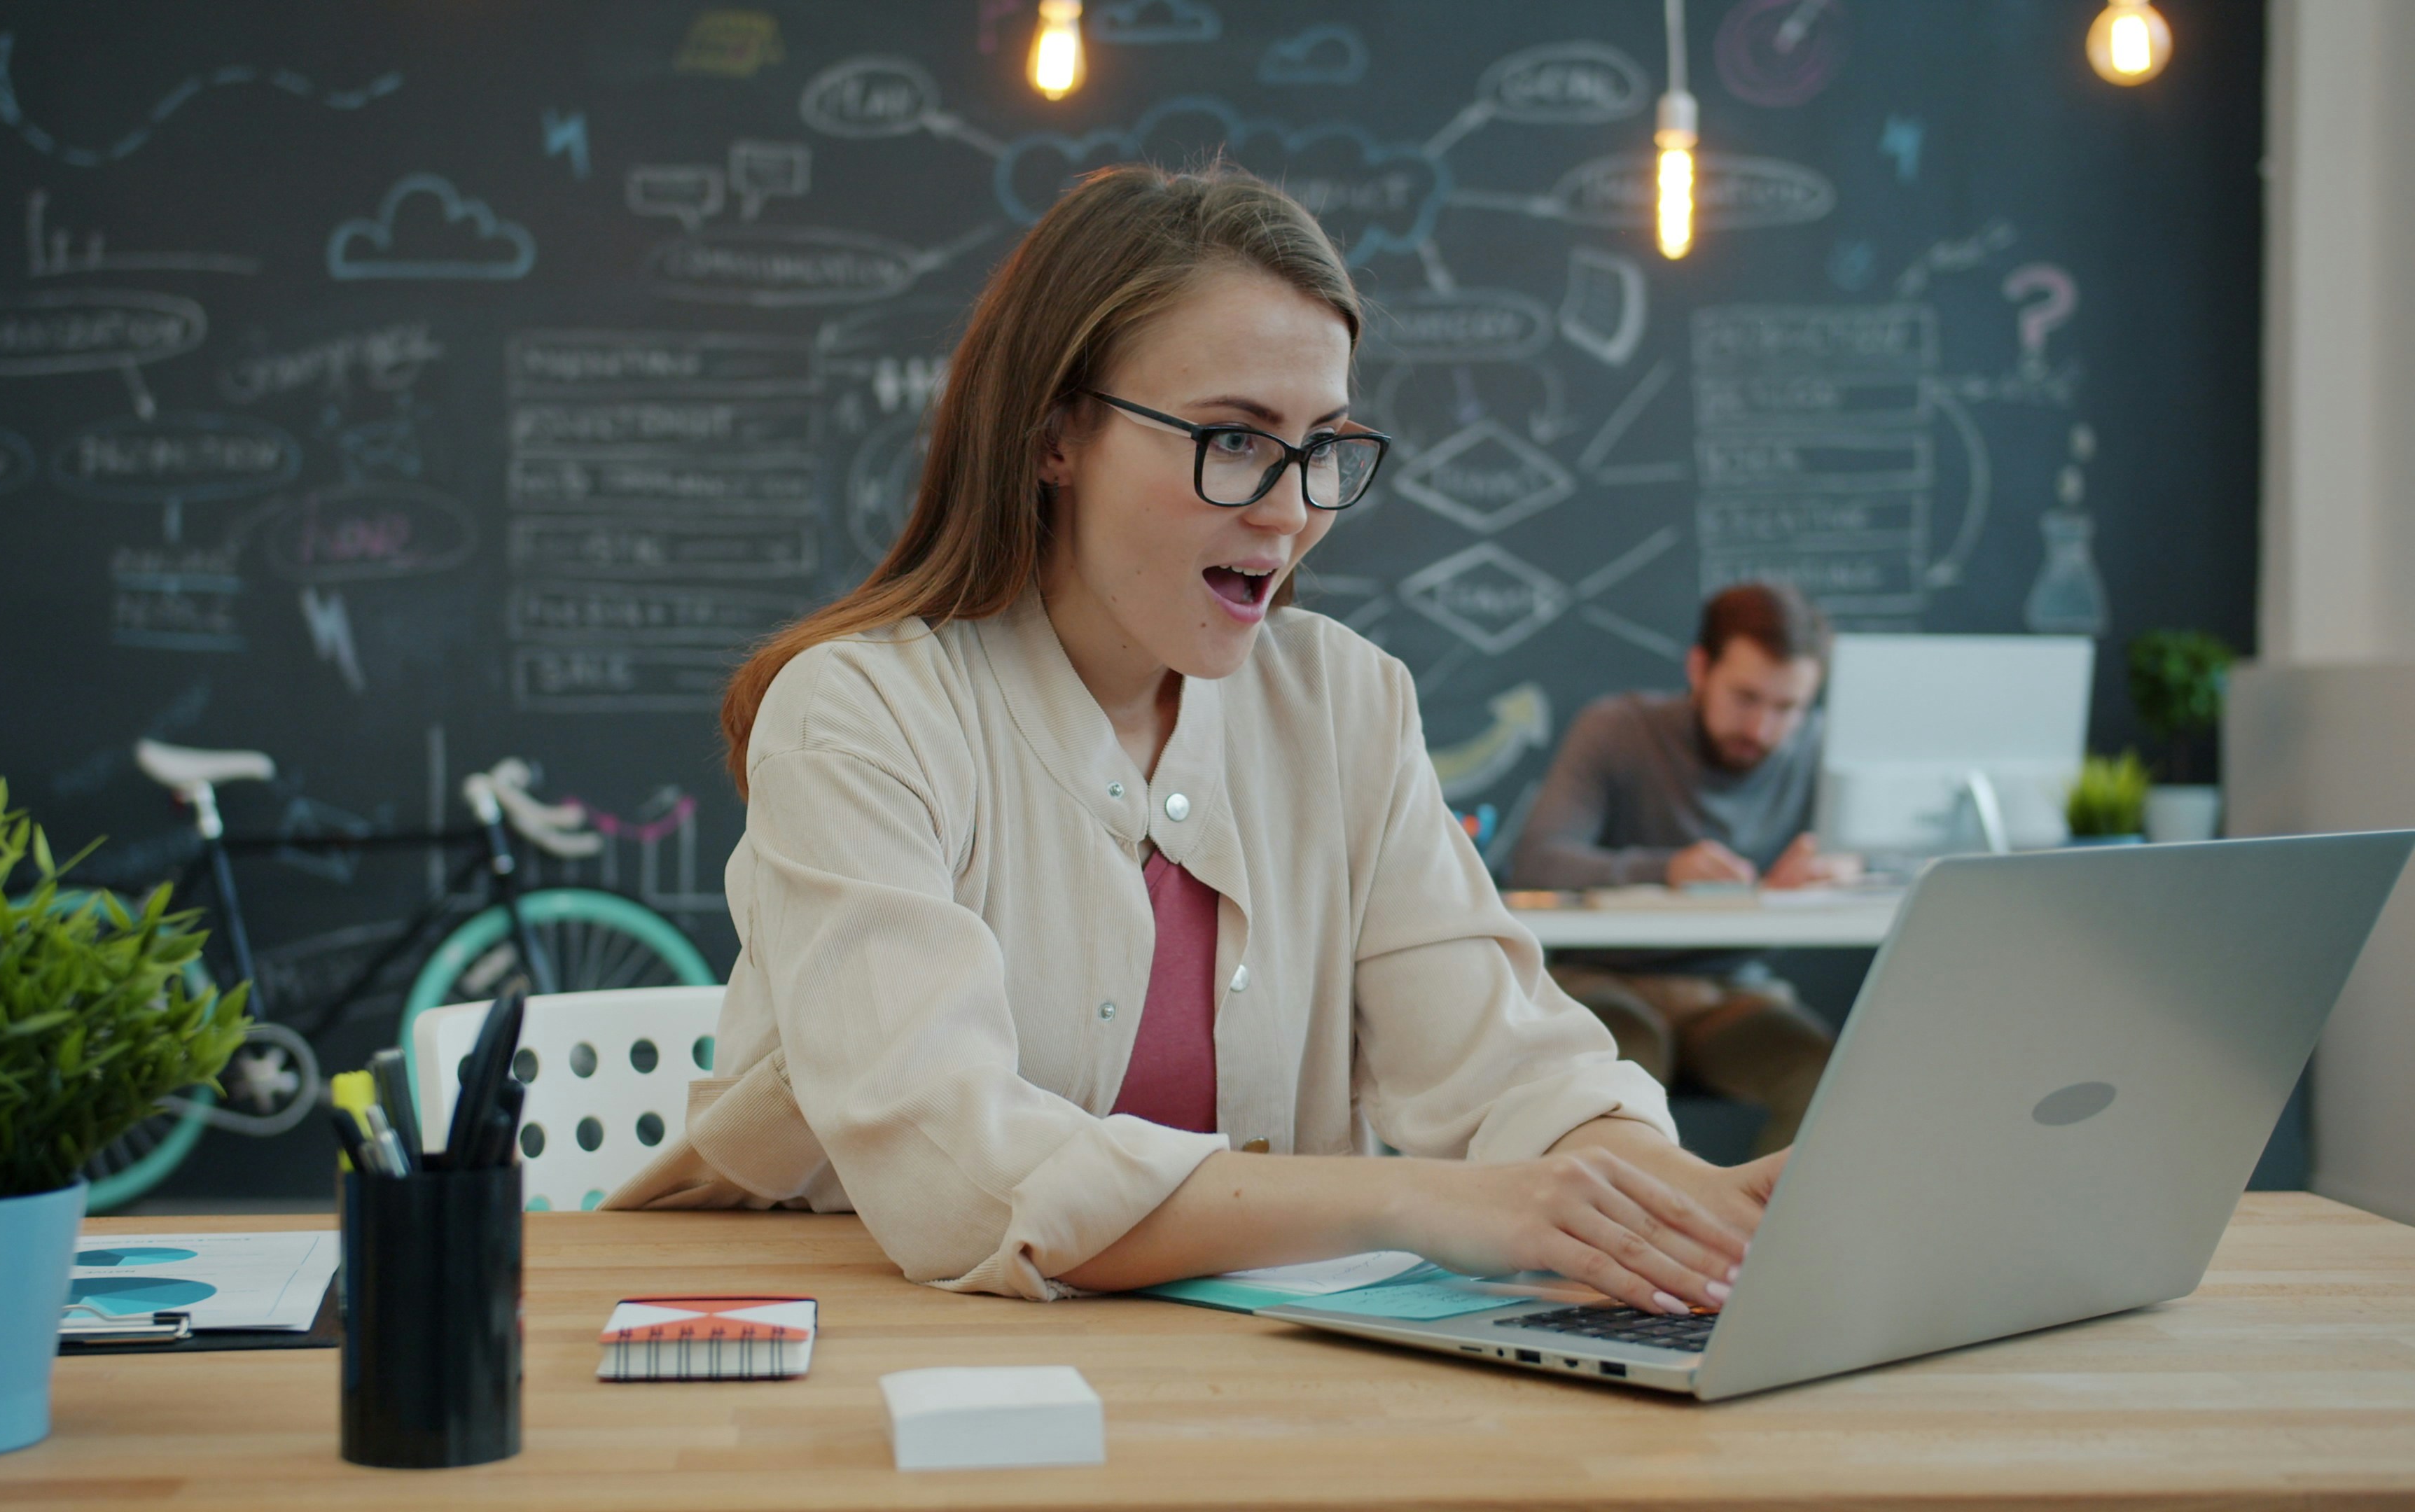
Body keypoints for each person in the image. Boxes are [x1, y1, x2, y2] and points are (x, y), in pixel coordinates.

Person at [606, 161, 1780, 1312]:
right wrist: (1410, 1203)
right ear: (1056, 436)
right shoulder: (862, 714)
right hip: (833, 1347)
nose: (1292, 509)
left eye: (1325, 446)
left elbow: (1509, 1063)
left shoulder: (1349, 706)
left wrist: (1686, 1200)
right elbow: (959, 1172)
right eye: (1234, 439)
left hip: (1228, 1383)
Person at [1505, 583, 1859, 1156]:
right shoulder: (1617, 729)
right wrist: (1667, 868)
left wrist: (1839, 871)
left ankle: (1757, 1243)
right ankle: (1646, 1241)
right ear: (1700, 668)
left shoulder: (1820, 753)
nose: (1763, 729)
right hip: (1605, 982)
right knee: (1627, 1070)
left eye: (1787, 708)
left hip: (1733, 994)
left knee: (1830, 1081)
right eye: (1746, 697)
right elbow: (1538, 861)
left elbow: (1877, 856)